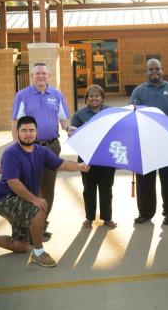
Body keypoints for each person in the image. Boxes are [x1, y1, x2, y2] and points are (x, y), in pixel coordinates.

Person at [0, 116, 89, 268]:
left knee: (20, 247)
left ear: (36, 133)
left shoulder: (41, 151)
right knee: (37, 209)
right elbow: (13, 183)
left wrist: (80, 166)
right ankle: (38, 253)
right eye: (24, 130)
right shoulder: (10, 153)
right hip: (6, 198)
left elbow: (61, 164)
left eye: (31, 130)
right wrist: (35, 200)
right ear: (17, 132)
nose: (28, 134)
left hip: (22, 199)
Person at [12, 62, 70, 239]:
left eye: (44, 73)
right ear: (31, 76)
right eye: (37, 74)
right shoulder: (22, 95)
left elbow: (64, 119)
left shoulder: (57, 94)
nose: (41, 76)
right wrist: (18, 148)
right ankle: (25, 229)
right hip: (30, 148)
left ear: (49, 75)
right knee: (29, 189)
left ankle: (41, 225)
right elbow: (15, 123)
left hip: (51, 147)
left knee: (47, 190)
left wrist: (69, 129)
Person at [129, 58, 168, 225]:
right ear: (146, 72)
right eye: (150, 69)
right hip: (146, 144)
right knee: (144, 181)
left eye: (157, 69)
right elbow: (131, 115)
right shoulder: (139, 91)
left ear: (162, 70)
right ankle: (145, 212)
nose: (154, 72)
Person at [68, 84, 116, 228]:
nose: (94, 98)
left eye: (97, 96)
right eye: (91, 96)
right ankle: (89, 217)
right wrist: (72, 131)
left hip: (107, 157)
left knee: (106, 189)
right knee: (88, 189)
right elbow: (73, 134)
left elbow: (118, 130)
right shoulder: (79, 114)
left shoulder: (110, 112)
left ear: (102, 98)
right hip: (86, 157)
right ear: (86, 99)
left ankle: (107, 218)